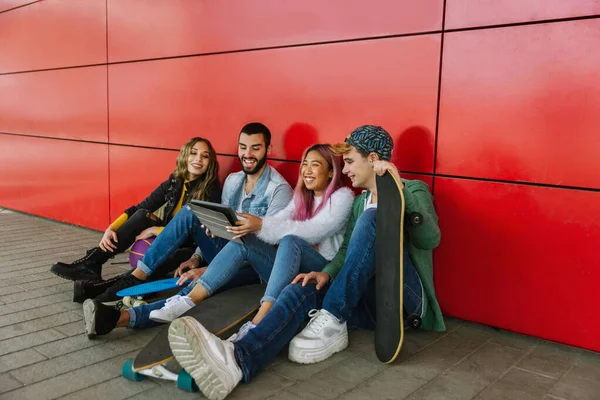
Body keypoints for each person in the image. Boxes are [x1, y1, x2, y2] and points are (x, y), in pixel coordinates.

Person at [166, 125, 445, 400]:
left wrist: (398, 189)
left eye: (349, 162)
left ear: (373, 160)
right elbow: (346, 251)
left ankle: (333, 315)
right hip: (368, 301)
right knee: (298, 288)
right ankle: (239, 359)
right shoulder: (361, 202)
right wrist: (325, 273)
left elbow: (430, 238)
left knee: (373, 219)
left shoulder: (414, 190)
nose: (345, 170)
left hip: (404, 302)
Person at [81, 122, 294, 327]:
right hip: (224, 252)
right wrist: (196, 257)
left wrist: (209, 268)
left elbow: (269, 246)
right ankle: (137, 276)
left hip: (255, 267)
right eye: (243, 147)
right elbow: (217, 226)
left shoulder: (278, 190)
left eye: (255, 148)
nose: (248, 154)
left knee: (195, 288)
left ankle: (121, 318)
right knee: (190, 211)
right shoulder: (233, 180)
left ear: (269, 148)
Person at [147, 144, 354, 328]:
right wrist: (239, 225)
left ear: (330, 172)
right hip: (290, 266)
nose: (307, 170)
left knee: (291, 240)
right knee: (244, 241)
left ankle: (260, 320)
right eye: (305, 164)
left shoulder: (342, 197)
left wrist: (260, 225)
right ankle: (189, 301)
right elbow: (279, 220)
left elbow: (313, 230)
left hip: (321, 271)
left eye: (315, 164)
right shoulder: (301, 197)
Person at [49, 137, 221, 285]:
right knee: (142, 215)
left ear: (210, 163)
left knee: (174, 255)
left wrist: (156, 230)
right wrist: (112, 228)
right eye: (193, 153)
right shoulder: (174, 182)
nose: (198, 159)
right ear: (185, 155)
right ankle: (93, 262)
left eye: (205, 156)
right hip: (167, 237)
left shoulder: (210, 190)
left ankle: (108, 285)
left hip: (189, 247)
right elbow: (140, 207)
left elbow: (198, 233)